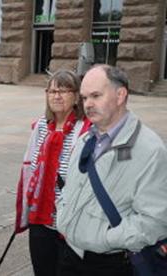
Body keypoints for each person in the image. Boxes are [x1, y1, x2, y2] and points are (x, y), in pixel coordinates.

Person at [56, 64, 167, 276]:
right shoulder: (86, 139)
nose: (88, 104)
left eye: (96, 95)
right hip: (70, 253)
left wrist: (105, 239)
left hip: (111, 263)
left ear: (120, 95)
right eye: (84, 97)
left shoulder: (150, 150)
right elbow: (68, 187)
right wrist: (63, 214)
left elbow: (155, 221)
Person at [14, 70, 90, 276]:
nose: (57, 96)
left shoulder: (87, 130)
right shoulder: (41, 126)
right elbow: (30, 170)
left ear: (76, 97)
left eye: (64, 90)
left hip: (71, 224)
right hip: (40, 218)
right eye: (52, 90)